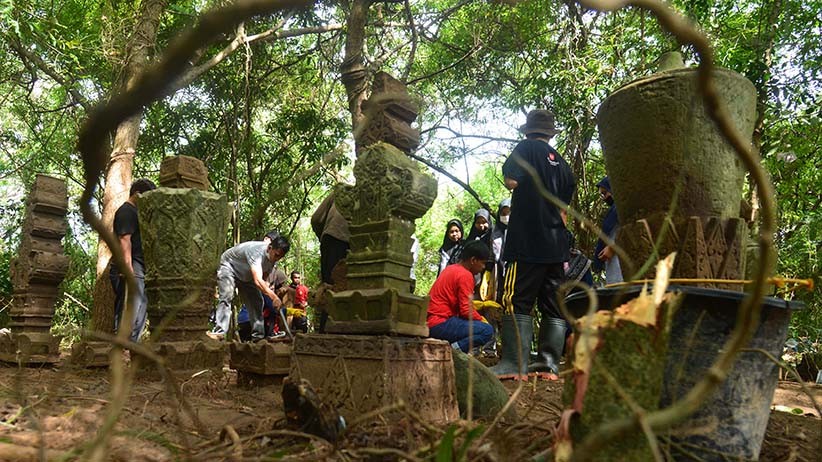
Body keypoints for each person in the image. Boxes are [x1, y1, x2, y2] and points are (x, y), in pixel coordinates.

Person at [491, 109, 576, 380]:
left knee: (516, 299)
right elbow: (564, 212)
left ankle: (515, 364)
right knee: (552, 303)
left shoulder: (524, 148)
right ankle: (548, 365)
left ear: (528, 132)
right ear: (550, 134)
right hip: (556, 245)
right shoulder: (563, 164)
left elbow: (511, 181)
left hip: (527, 241)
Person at [209, 234, 291, 342]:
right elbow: (257, 281)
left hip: (247, 275)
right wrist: (274, 297)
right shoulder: (256, 252)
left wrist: (269, 293)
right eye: (276, 255)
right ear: (270, 248)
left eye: (280, 257)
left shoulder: (272, 260)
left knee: (257, 301)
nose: (277, 259)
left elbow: (263, 279)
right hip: (229, 267)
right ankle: (219, 332)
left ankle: (258, 338)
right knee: (226, 296)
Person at [109, 178, 156, 343]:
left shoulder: (136, 213)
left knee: (141, 309)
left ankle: (132, 344)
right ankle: (121, 344)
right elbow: (124, 240)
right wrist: (128, 269)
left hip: (139, 267)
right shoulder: (126, 211)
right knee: (130, 308)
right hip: (130, 266)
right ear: (137, 194)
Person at [427, 240, 494, 353]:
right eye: (482, 263)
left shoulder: (451, 268)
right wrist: (482, 320)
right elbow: (466, 310)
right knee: (486, 330)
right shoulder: (465, 275)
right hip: (440, 323)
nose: (483, 267)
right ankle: (452, 352)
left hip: (432, 322)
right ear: (473, 260)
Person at [311, 194, 350, 332]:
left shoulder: (339, 192)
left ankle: (324, 329)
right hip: (348, 242)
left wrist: (324, 235)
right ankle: (332, 330)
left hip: (329, 238)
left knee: (329, 285)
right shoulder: (372, 194)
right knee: (340, 286)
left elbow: (316, 218)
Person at [593, 177, 623, 284]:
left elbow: (630, 232)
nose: (604, 197)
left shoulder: (621, 209)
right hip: (614, 265)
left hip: (622, 265)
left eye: (605, 193)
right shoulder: (613, 211)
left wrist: (613, 247)